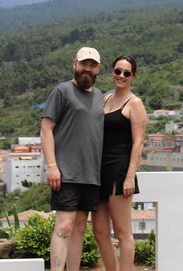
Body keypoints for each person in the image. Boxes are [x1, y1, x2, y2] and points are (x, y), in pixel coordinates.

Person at [40, 47, 105, 271]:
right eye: (83, 64)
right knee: (65, 227)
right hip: (66, 173)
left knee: (79, 228)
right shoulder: (62, 91)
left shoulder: (100, 97)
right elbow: (46, 130)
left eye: (92, 65)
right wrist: (51, 166)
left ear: (98, 69)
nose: (87, 69)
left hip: (91, 176)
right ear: (75, 64)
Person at [93, 55, 148, 271]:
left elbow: (139, 142)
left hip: (119, 169)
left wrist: (129, 178)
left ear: (133, 76)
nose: (121, 76)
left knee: (122, 231)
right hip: (98, 170)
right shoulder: (105, 99)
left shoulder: (135, 103)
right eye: (118, 71)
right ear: (112, 72)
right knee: (99, 231)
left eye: (126, 73)